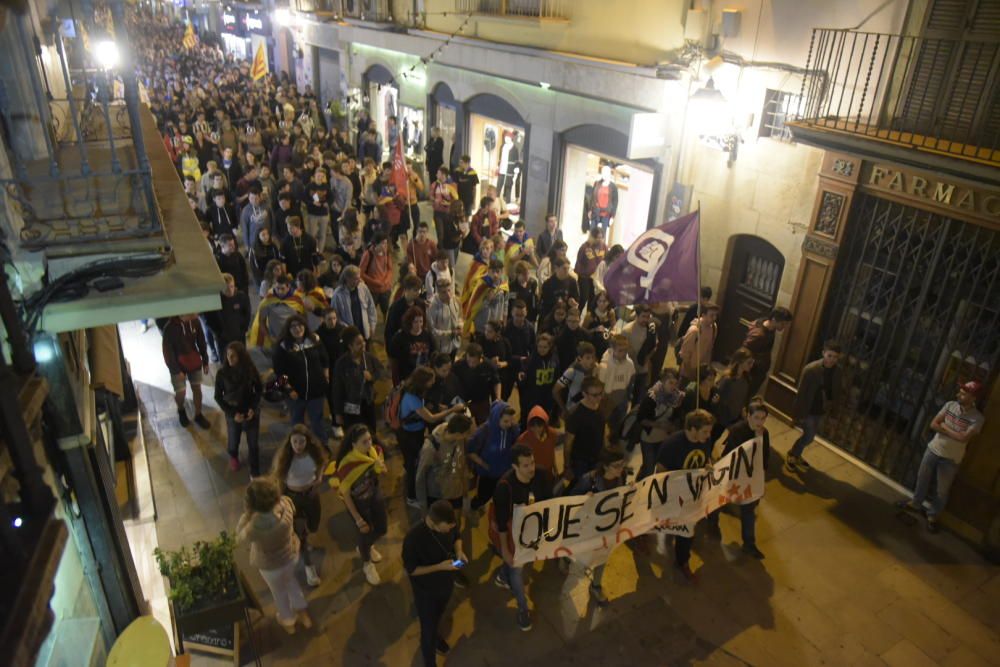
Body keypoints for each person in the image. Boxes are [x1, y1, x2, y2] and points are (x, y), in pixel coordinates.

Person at [896, 381, 985, 532]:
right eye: (960, 391)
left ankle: (932, 515)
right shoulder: (950, 405)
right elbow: (933, 424)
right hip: (934, 449)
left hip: (951, 458)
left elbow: (964, 438)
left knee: (942, 490)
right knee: (922, 479)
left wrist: (944, 427)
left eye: (963, 393)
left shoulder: (977, 418)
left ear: (973, 397)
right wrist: (953, 432)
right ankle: (915, 503)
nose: (959, 394)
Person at [488, 443, 554, 631]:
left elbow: (550, 502)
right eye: (525, 465)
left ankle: (502, 576)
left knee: (515, 565)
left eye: (532, 463)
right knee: (517, 568)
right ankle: (523, 609)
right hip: (512, 535)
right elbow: (501, 524)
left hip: (531, 533)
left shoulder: (541, 475)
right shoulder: (504, 487)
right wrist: (506, 550)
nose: (531, 468)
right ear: (514, 467)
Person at [236, 478, 312, 635]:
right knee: (292, 582)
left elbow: (239, 537)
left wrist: (247, 516)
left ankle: (288, 620)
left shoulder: (253, 528)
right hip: (290, 556)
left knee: (279, 592)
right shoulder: (286, 505)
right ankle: (303, 613)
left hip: (270, 566)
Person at [403, 500, 467, 666]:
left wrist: (459, 551)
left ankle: (435, 636)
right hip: (426, 592)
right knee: (428, 629)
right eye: (448, 526)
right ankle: (429, 661)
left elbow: (457, 536)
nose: (451, 528)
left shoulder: (449, 522)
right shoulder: (413, 539)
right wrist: (439, 567)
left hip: (445, 585)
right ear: (433, 522)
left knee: (438, 615)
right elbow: (412, 570)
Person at [655, 409, 716, 583]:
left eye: (709, 431)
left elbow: (705, 458)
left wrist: (708, 465)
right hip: (673, 496)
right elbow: (660, 474)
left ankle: (682, 562)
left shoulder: (705, 440)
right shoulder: (671, 445)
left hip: (691, 497)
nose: (708, 435)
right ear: (692, 429)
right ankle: (641, 537)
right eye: (705, 431)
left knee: (687, 531)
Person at [707, 398, 771, 558]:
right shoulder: (737, 430)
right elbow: (740, 455)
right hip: (732, 474)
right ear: (748, 416)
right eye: (757, 417)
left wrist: (760, 480)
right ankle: (712, 523)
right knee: (720, 501)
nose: (760, 422)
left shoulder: (764, 433)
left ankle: (749, 544)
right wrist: (757, 439)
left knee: (748, 511)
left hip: (749, 478)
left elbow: (763, 457)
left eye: (763, 418)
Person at [399, 367, 467, 506]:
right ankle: (411, 497)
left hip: (414, 431)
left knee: (413, 460)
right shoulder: (412, 398)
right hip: (409, 435)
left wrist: (439, 406)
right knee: (413, 465)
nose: (433, 382)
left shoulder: (413, 390)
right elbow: (431, 418)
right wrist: (452, 410)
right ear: (423, 382)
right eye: (431, 381)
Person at [330, 425, 388, 585]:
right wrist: (357, 519)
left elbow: (378, 472)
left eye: (369, 439)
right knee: (364, 532)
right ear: (353, 445)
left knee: (382, 528)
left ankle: (367, 546)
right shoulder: (347, 465)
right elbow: (346, 494)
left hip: (374, 496)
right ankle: (366, 563)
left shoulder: (374, 452)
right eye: (364, 442)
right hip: (359, 503)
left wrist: (380, 468)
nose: (369, 444)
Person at [271, 424, 329, 587]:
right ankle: (309, 568)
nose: (298, 445)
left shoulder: (313, 453)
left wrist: (319, 478)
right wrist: (280, 500)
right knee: (300, 533)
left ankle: (304, 540)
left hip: (311, 495)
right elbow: (279, 478)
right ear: (289, 442)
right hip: (293, 498)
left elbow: (322, 462)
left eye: (301, 442)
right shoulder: (285, 458)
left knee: (314, 525)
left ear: (308, 441)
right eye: (294, 441)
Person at [569, 447, 628, 605]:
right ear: (605, 466)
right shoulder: (589, 479)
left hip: (608, 527)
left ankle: (596, 585)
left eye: (622, 464)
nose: (621, 469)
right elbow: (571, 500)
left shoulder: (622, 476)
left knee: (602, 557)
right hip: (590, 529)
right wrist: (583, 498)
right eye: (617, 466)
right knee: (584, 557)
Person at [787, 340, 842, 473]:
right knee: (809, 436)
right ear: (823, 353)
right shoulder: (811, 370)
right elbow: (801, 394)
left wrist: (834, 413)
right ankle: (793, 454)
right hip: (809, 409)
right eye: (830, 356)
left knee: (810, 435)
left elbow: (836, 392)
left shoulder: (838, 371)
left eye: (835, 357)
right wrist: (798, 415)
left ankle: (797, 454)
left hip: (822, 409)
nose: (832, 360)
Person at [272, 314, 330, 441]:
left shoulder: (314, 340)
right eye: (293, 327)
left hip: (316, 392)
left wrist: (326, 376)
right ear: (288, 330)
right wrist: (289, 389)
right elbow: (279, 373)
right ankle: (298, 448)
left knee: (317, 423)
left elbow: (325, 359)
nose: (297, 329)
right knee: (297, 424)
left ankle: (322, 448)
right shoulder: (283, 347)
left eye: (300, 325)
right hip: (296, 395)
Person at [214, 342, 263, 475]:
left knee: (253, 443)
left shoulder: (250, 370)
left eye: (234, 356)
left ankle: (254, 470)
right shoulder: (222, 374)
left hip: (250, 412)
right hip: (233, 413)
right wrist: (232, 413)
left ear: (241, 357)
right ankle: (234, 456)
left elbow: (259, 390)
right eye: (228, 355)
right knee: (234, 439)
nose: (230, 358)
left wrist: (253, 408)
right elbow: (218, 397)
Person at [331, 326, 385, 433]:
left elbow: (381, 371)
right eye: (359, 343)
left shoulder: (368, 357)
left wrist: (372, 377)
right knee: (355, 434)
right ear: (350, 346)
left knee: (371, 432)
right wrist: (337, 413)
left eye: (363, 341)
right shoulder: (341, 364)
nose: (363, 345)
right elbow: (337, 390)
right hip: (351, 408)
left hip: (368, 403)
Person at [416, 414, 474, 511]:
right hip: (438, 495)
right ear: (458, 434)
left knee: (456, 522)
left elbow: (462, 462)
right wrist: (423, 506)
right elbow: (420, 477)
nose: (469, 435)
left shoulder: (459, 439)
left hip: (456, 491)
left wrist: (465, 491)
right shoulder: (431, 447)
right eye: (467, 433)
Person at [161, 314, 211, 429]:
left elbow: (201, 341)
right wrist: (176, 370)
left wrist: (205, 361)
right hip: (178, 364)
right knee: (181, 392)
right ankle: (181, 409)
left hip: (193, 361)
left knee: (197, 389)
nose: (197, 314)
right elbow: (168, 352)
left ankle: (198, 414)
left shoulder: (195, 322)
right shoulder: (170, 328)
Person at [469, 401, 520, 510]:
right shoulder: (483, 431)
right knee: (483, 497)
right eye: (506, 421)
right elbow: (470, 451)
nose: (509, 424)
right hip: (487, 474)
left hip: (505, 473)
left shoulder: (513, 430)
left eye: (511, 420)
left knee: (502, 498)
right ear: (497, 418)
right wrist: (483, 464)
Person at [635, 368, 685, 479]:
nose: (674, 386)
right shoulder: (652, 397)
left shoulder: (677, 398)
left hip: (664, 439)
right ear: (663, 382)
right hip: (649, 439)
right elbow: (641, 419)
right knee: (648, 469)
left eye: (676, 383)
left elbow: (676, 416)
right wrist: (659, 425)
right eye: (670, 383)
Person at [563, 376, 606, 481]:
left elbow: (602, 432)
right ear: (584, 394)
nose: (599, 397)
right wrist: (567, 466)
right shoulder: (575, 414)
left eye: (601, 393)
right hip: (580, 462)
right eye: (595, 395)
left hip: (597, 458)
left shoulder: (600, 406)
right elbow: (568, 443)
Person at [742, 307, 793, 395]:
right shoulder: (759, 334)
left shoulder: (770, 329)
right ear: (774, 320)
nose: (783, 327)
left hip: (759, 372)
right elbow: (744, 352)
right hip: (751, 372)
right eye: (782, 324)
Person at [203, 273, 252, 363]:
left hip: (239, 336)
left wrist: (243, 329)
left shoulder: (241, 297)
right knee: (225, 361)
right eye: (227, 288)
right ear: (221, 288)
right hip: (223, 339)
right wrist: (218, 333)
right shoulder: (215, 301)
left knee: (242, 359)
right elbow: (208, 320)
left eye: (232, 287)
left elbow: (247, 314)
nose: (230, 290)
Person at [248, 274, 306, 349]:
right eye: (277, 288)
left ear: (288, 287)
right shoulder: (268, 300)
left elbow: (302, 318)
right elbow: (261, 321)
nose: (279, 291)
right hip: (276, 339)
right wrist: (269, 338)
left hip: (294, 338)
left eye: (282, 288)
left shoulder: (296, 299)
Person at [598, 334, 636, 439]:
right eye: (620, 350)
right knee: (604, 420)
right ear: (612, 349)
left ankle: (614, 438)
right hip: (608, 397)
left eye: (625, 350)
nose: (623, 353)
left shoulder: (629, 363)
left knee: (619, 420)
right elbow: (601, 385)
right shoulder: (604, 366)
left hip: (622, 395)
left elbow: (631, 378)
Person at [452, 343, 500, 424]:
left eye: (474, 362)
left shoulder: (489, 365)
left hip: (482, 401)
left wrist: (498, 398)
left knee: (484, 425)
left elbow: (496, 382)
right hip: (464, 401)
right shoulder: (459, 365)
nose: (471, 364)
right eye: (469, 361)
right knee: (462, 425)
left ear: (481, 358)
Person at [519, 333, 559, 429]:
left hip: (547, 396)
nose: (542, 349)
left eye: (545, 347)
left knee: (543, 420)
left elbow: (556, 375)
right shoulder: (532, 359)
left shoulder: (555, 359)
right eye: (540, 346)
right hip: (533, 397)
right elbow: (524, 376)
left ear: (550, 347)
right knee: (529, 419)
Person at [330, 265, 378, 341]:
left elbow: (371, 308)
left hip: (365, 331)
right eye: (356, 279)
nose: (359, 280)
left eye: (359, 278)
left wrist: (372, 326)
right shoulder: (337, 295)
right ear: (347, 279)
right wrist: (349, 330)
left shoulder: (363, 287)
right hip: (350, 335)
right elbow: (336, 316)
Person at [389, 306, 436, 383]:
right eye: (415, 322)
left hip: (424, 377)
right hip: (406, 378)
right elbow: (394, 361)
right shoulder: (400, 337)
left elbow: (433, 354)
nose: (419, 325)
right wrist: (396, 381)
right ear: (409, 321)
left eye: (421, 321)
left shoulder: (427, 335)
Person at [553, 340, 598, 417]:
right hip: (574, 411)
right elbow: (555, 391)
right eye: (587, 358)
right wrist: (564, 409)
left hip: (590, 409)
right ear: (580, 358)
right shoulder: (572, 372)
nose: (591, 361)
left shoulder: (596, 368)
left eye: (593, 357)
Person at [678, 302, 720, 384]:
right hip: (688, 372)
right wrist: (690, 373)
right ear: (703, 315)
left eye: (716, 315)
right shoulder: (694, 331)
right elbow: (684, 355)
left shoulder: (714, 328)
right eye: (711, 315)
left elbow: (709, 349)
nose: (714, 318)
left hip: (701, 372)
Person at [715, 347, 755, 432]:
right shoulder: (728, 380)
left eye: (752, 362)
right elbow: (719, 399)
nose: (751, 366)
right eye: (749, 363)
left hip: (735, 416)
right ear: (740, 362)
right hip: (722, 418)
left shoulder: (746, 379)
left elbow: (743, 398)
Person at [385, 274, 426, 352]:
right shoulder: (396, 308)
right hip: (402, 346)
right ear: (406, 289)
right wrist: (391, 351)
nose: (418, 293)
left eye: (419, 290)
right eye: (415, 290)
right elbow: (390, 331)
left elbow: (423, 325)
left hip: (416, 345)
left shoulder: (421, 304)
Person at [427, 276, 462, 357]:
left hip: (455, 345)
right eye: (444, 292)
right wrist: (451, 333)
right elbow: (432, 331)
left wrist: (460, 325)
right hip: (441, 349)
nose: (448, 295)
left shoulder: (455, 300)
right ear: (438, 292)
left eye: (449, 290)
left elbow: (459, 316)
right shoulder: (432, 306)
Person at [360, 233, 394, 317]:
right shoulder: (368, 254)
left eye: (386, 243)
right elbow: (361, 273)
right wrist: (375, 282)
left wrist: (386, 281)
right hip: (372, 290)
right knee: (370, 312)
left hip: (385, 289)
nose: (385, 246)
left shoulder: (387, 253)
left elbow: (390, 269)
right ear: (375, 244)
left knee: (387, 311)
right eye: (382, 243)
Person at [575, 227, 607, 308]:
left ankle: (589, 317)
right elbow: (579, 261)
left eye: (601, 237)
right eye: (597, 237)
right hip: (585, 277)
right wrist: (582, 273)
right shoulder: (585, 247)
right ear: (592, 237)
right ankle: (578, 315)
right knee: (583, 298)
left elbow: (606, 261)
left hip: (596, 278)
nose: (599, 239)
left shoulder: (604, 247)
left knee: (593, 299)